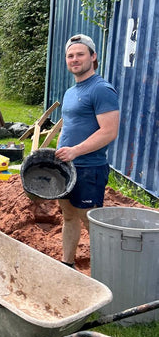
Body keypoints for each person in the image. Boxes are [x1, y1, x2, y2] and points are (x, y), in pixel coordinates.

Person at [55, 34, 120, 269]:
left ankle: (111, 270)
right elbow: (70, 127)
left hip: (89, 168)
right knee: (69, 216)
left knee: (91, 221)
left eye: (80, 54)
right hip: (67, 168)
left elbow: (109, 132)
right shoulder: (71, 92)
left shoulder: (101, 90)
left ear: (93, 57)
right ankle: (67, 265)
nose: (75, 59)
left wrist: (76, 151)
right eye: (70, 55)